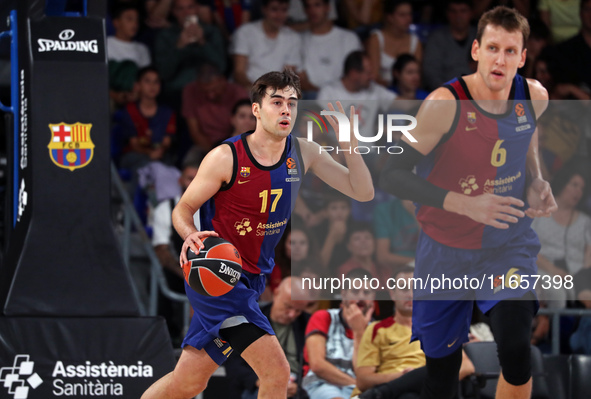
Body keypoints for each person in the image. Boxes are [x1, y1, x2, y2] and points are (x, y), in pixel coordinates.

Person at [141, 69, 374, 399]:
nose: (285, 110)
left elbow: (362, 192)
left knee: (189, 382)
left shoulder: (303, 152)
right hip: (219, 280)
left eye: (292, 104)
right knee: (277, 373)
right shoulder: (226, 157)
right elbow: (183, 208)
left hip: (251, 280)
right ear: (256, 109)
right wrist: (190, 234)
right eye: (276, 102)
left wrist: (350, 145)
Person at [379, 6, 557, 399]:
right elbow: (389, 173)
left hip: (506, 244)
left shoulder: (534, 96)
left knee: (515, 350)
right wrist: (464, 203)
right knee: (442, 376)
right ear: (475, 49)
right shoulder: (445, 104)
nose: (501, 59)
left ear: (524, 57)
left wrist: (537, 178)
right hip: (445, 248)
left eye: (511, 51)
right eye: (492, 48)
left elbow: (527, 135)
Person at [352, 267, 475, 399]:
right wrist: (402, 378)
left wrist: (417, 377)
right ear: (392, 294)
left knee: (440, 370)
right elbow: (363, 380)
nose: (410, 294)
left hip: (434, 390)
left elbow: (467, 367)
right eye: (404, 289)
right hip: (399, 394)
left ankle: (379, 394)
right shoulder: (376, 329)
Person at [224, 276, 314, 399]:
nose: (292, 314)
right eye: (287, 306)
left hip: (297, 387)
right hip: (257, 384)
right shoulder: (249, 320)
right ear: (276, 293)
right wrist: (258, 382)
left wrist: (298, 385)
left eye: (298, 311)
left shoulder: (308, 323)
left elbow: (315, 363)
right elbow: (233, 362)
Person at [302, 268, 376, 399]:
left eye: (366, 292)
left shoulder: (376, 329)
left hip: (360, 390)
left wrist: (358, 332)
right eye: (355, 291)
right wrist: (356, 383)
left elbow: (364, 373)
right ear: (343, 294)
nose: (361, 297)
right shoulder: (323, 317)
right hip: (322, 384)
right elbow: (318, 365)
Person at [231, 0, 302, 90]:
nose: (279, 15)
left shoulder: (293, 38)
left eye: (284, 10)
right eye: (274, 9)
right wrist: (255, 91)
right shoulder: (245, 32)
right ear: (264, 10)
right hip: (246, 89)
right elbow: (239, 72)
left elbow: (287, 76)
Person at [298, 0, 362, 97]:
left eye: (317, 5)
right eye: (308, 6)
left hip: (344, 96)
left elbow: (356, 75)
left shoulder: (349, 38)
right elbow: (300, 80)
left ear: (328, 7)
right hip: (311, 97)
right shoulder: (298, 41)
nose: (312, 10)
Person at [182, 62, 249, 152]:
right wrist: (214, 155)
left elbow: (244, 128)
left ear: (223, 81)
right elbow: (195, 131)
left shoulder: (238, 93)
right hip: (205, 146)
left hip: (234, 144)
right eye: (205, 91)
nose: (210, 95)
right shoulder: (190, 91)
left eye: (214, 90)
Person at [422, 0, 476, 91]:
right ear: (447, 14)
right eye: (453, 11)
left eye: (463, 11)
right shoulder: (436, 38)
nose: (458, 16)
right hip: (445, 94)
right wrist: (446, 92)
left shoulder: (481, 36)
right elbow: (431, 73)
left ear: (471, 13)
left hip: (477, 94)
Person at [366, 0, 421, 87]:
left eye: (410, 14)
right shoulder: (376, 39)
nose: (409, 19)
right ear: (390, 17)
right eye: (402, 15)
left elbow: (417, 77)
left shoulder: (415, 42)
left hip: (407, 93)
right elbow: (373, 76)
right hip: (380, 92)